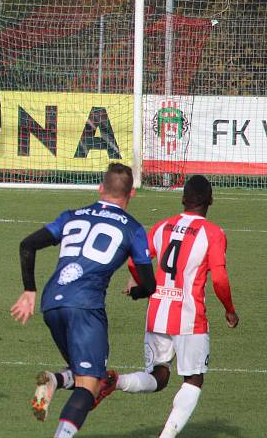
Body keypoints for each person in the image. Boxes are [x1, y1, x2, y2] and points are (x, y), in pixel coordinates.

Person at [10, 163, 156, 437]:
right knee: (92, 384)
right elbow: (150, 284)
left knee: (81, 372)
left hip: (51, 301)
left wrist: (29, 290)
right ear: (132, 194)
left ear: (100, 189)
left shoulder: (71, 215)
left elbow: (27, 245)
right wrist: (135, 290)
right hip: (85, 306)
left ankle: (53, 380)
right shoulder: (134, 229)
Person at [93, 175, 239, 438]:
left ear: (183, 199)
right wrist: (229, 309)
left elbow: (134, 261)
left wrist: (140, 283)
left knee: (159, 377)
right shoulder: (213, 233)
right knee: (193, 380)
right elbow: (218, 277)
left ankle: (116, 381)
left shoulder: (162, 227)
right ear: (210, 201)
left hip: (157, 314)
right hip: (189, 319)